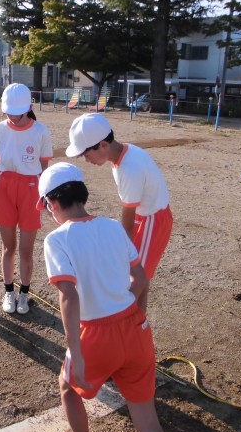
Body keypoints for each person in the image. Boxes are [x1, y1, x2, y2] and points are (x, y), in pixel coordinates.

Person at [37, 162, 173, 432]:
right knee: (148, 420)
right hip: (135, 327)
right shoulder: (112, 226)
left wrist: (77, 351)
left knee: (68, 388)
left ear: (52, 202)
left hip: (96, 334)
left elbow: (69, 297)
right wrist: (121, 302)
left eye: (46, 205)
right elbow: (140, 277)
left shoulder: (57, 239)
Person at [66, 113, 172, 315]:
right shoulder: (124, 155)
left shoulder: (129, 169)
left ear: (103, 145)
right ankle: (137, 320)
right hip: (146, 217)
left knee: (137, 275)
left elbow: (128, 222)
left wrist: (121, 251)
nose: (85, 160)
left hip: (152, 220)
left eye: (86, 154)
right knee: (137, 272)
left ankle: (134, 322)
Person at [0, 83, 53, 315]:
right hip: (5, 187)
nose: (14, 117)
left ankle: (24, 293)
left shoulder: (41, 131)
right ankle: (8, 291)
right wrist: (5, 182)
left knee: (26, 249)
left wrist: (44, 196)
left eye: (19, 112)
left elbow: (44, 168)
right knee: (9, 247)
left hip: (30, 188)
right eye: (9, 112)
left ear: (29, 107)